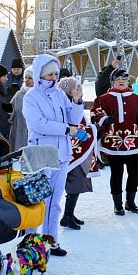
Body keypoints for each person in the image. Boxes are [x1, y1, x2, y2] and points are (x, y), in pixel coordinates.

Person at [22, 54, 86, 256]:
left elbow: (73, 118)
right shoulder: (31, 97)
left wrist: (77, 101)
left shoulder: (59, 94)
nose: (53, 77)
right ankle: (30, 241)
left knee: (54, 201)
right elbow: (39, 124)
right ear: (40, 73)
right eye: (49, 74)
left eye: (55, 74)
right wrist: (67, 130)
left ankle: (51, 240)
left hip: (62, 153)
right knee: (36, 199)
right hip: (40, 153)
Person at [91, 67, 138, 216]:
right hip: (113, 144)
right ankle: (117, 204)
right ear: (112, 82)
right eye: (117, 79)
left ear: (128, 81)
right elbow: (96, 113)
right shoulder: (103, 99)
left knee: (134, 174)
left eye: (124, 78)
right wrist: (104, 120)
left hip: (133, 143)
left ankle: (130, 201)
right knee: (116, 174)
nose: (121, 81)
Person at [58, 77, 99, 230]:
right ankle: (67, 215)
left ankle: (70, 213)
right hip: (72, 153)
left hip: (77, 152)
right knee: (75, 183)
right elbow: (73, 128)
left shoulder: (74, 105)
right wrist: (92, 130)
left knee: (77, 183)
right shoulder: (65, 106)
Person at [9, 66, 33, 151]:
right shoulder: (19, 94)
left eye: (30, 78)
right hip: (19, 130)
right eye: (25, 77)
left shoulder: (38, 95)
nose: (27, 80)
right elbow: (11, 112)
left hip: (33, 133)